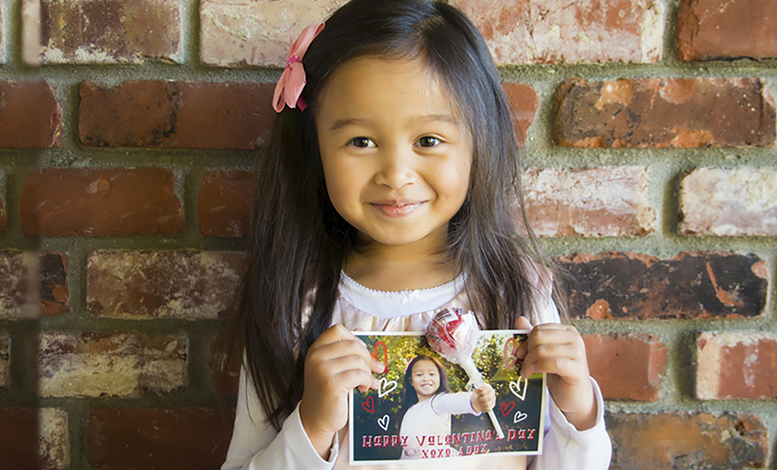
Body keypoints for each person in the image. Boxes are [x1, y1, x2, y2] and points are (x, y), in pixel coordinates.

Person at [215, 0, 613, 468]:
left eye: (428, 140)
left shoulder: (514, 295)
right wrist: (314, 426)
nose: (397, 174)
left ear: (479, 142)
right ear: (314, 147)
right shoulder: (296, 307)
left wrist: (578, 410)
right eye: (361, 141)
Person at [397, 355, 495, 460]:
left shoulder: (438, 402)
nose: (426, 378)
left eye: (431, 374)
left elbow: (455, 401)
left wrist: (475, 401)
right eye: (419, 374)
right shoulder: (411, 409)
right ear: (411, 381)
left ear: (440, 377)